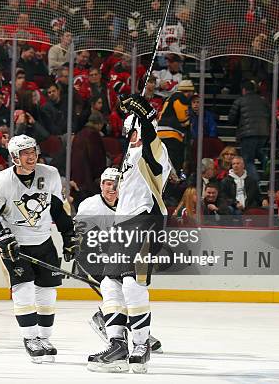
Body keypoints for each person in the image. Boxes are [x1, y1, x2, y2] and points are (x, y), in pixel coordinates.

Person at [86, 94, 170, 374]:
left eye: (133, 131)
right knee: (110, 282)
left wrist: (147, 117)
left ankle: (140, 345)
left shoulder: (156, 150)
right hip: (122, 225)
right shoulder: (128, 157)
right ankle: (117, 344)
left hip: (146, 222)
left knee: (133, 283)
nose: (130, 135)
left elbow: (150, 146)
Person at [0, 135, 78, 363]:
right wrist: (3, 239)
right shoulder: (0, 181)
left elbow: (58, 209)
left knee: (48, 292)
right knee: (23, 290)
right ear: (14, 157)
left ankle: (44, 338)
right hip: (15, 245)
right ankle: (30, 338)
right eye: (25, 153)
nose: (31, 156)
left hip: (44, 242)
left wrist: (69, 236)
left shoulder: (49, 174)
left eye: (33, 150)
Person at [228, 80, 270, 180]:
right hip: (263, 133)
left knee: (248, 160)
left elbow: (231, 118)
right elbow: (269, 115)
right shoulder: (263, 100)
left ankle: (255, 183)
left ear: (243, 90)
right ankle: (265, 158)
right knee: (256, 149)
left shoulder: (240, 101)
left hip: (248, 134)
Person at [157, 79, 194, 173]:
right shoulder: (180, 97)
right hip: (172, 134)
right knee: (174, 162)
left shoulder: (171, 97)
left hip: (160, 132)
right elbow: (183, 119)